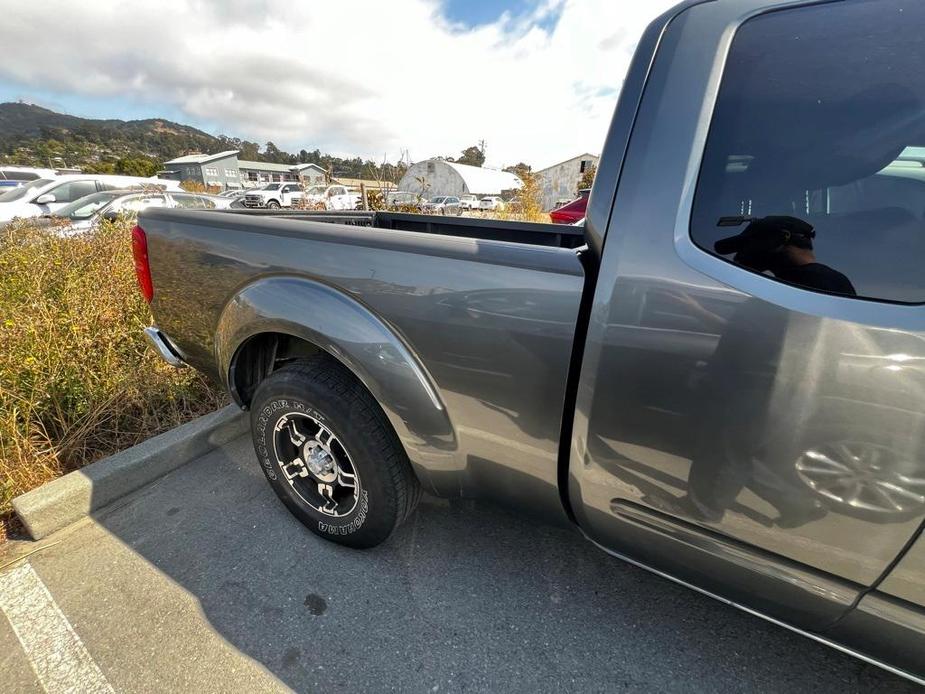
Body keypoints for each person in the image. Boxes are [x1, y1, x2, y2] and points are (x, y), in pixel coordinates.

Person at [714, 215, 856, 296]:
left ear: (778, 241)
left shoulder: (804, 284)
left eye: (749, 247)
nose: (739, 257)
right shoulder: (834, 280)